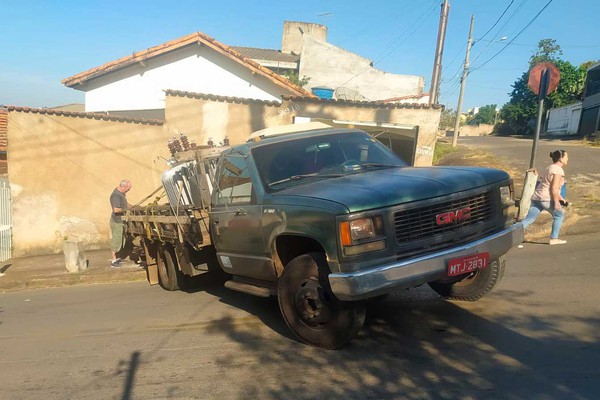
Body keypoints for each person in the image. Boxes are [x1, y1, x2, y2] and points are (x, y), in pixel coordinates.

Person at [521, 150, 569, 245]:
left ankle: (511, 236)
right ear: (561, 158)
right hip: (546, 198)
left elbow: (548, 185)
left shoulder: (549, 168)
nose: (568, 158)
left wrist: (560, 198)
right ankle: (554, 239)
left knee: (528, 219)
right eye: (566, 157)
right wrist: (556, 203)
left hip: (537, 198)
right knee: (559, 216)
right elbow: (554, 187)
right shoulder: (558, 170)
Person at [109, 179, 132, 267]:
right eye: (128, 189)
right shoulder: (116, 196)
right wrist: (126, 210)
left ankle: (117, 257)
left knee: (121, 240)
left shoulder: (121, 194)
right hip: (117, 221)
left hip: (121, 221)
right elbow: (116, 210)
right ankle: (113, 260)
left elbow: (125, 204)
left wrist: (134, 207)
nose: (128, 190)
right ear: (123, 186)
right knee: (116, 240)